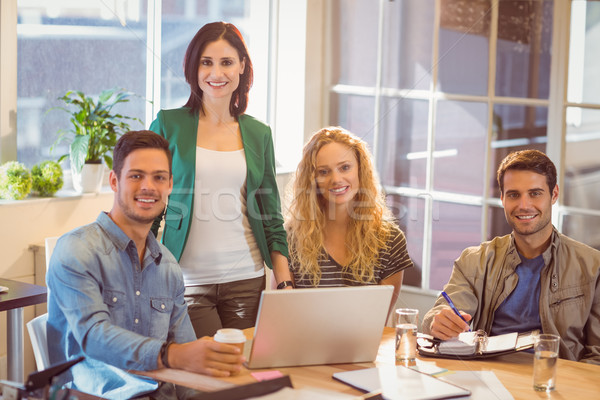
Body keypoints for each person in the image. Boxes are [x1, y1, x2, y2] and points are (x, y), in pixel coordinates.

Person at [46, 131, 244, 399]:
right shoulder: (76, 250)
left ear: (170, 185)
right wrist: (171, 355)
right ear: (114, 181)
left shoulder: (168, 266)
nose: (148, 186)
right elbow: (92, 337)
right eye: (136, 176)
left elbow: (188, 357)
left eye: (159, 177)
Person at [149, 22, 292, 338]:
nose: (217, 73)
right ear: (194, 68)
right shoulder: (167, 125)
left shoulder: (259, 134)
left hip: (247, 280)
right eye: (207, 62)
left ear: (242, 66)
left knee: (244, 374)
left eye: (226, 62)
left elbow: (270, 217)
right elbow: (148, 206)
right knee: (211, 376)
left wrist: (285, 283)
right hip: (188, 281)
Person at [423, 149, 600, 364]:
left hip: (555, 383)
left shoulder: (592, 266)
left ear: (554, 195)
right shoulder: (473, 261)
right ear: (503, 199)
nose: (524, 205)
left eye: (535, 193)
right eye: (514, 194)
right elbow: (440, 313)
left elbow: (597, 355)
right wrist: (438, 321)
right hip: (487, 378)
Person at [285, 127, 413, 318]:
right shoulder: (291, 237)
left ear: (360, 170)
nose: (336, 179)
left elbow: (378, 321)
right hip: (305, 346)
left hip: (365, 346)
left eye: (345, 167)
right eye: (323, 171)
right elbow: (284, 315)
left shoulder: (390, 240)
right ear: (312, 180)